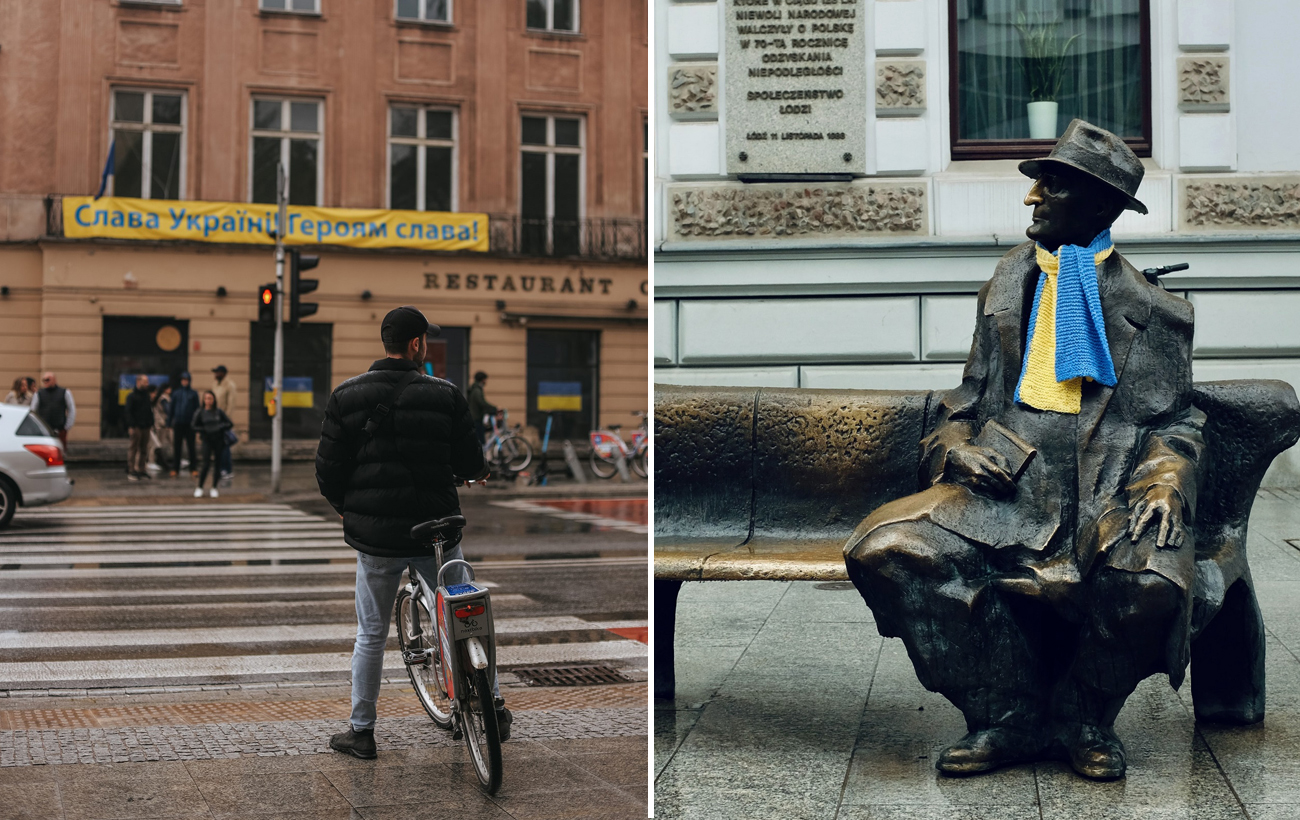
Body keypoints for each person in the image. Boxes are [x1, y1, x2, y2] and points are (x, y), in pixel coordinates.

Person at [844, 121, 1202, 782]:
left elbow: (1175, 422)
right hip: (1006, 484)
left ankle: (1084, 716)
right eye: (1038, 182)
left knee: (1150, 582)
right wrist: (953, 447)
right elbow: (966, 400)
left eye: (1053, 184)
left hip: (1107, 483)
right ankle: (1004, 714)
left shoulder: (1155, 310)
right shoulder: (1007, 282)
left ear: (1099, 206)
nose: (1033, 196)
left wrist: (1163, 482)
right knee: (885, 549)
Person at [316, 305, 511, 760]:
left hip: (377, 541)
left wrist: (353, 510)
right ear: (417, 345)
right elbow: (470, 462)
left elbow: (327, 472)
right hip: (436, 532)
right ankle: (494, 706)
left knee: (369, 634)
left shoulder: (345, 395)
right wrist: (475, 473)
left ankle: (361, 732)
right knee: (464, 613)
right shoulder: (445, 394)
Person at [191, 390, 232, 499]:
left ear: (214, 400)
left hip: (218, 440)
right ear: (203, 400)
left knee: (218, 464)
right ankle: (200, 487)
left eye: (210, 398)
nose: (208, 401)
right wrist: (204, 429)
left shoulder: (218, 412)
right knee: (206, 464)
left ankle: (214, 487)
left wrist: (220, 427)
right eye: (206, 398)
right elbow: (193, 425)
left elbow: (229, 423)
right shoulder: (200, 412)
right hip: (207, 440)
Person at [167, 372, 199, 477]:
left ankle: (193, 468)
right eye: (183, 380)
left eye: (186, 380)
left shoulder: (193, 394)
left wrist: (196, 423)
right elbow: (172, 409)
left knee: (191, 447)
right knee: (177, 447)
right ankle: (175, 468)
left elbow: (197, 410)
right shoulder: (176, 393)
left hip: (190, 424)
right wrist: (169, 422)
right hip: (178, 423)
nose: (184, 381)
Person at [30, 372, 74, 448]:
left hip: (60, 428)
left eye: (47, 380)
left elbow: (71, 409)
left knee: (61, 450)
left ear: (54, 380)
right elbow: (33, 410)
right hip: (44, 428)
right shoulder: (38, 394)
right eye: (44, 380)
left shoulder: (65, 392)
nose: (45, 382)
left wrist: (67, 426)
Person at [124, 374, 154, 481]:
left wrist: (151, 423)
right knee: (133, 448)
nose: (147, 383)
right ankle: (131, 470)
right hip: (136, 426)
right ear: (138, 382)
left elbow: (149, 410)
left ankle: (141, 469)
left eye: (147, 381)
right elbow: (128, 412)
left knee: (144, 449)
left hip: (146, 426)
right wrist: (131, 425)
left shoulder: (146, 396)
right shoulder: (132, 396)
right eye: (145, 381)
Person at [210, 365, 237, 480]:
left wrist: (227, 420)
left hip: (223, 421)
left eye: (217, 372)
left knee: (225, 446)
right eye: (215, 372)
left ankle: (227, 469)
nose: (215, 374)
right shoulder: (214, 384)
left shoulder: (230, 385)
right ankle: (220, 468)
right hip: (214, 420)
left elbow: (231, 404)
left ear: (223, 373)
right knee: (218, 447)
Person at [467, 371, 497, 446]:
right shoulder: (477, 390)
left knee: (479, 440)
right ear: (482, 379)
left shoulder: (476, 389)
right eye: (485, 380)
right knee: (480, 441)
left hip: (476, 417)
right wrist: (494, 409)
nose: (486, 382)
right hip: (476, 418)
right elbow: (482, 403)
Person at [149, 383, 173, 473]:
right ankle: (151, 461)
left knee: (159, 443)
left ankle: (154, 461)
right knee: (155, 444)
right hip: (159, 425)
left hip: (159, 425)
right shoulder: (163, 399)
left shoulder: (159, 399)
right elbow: (166, 411)